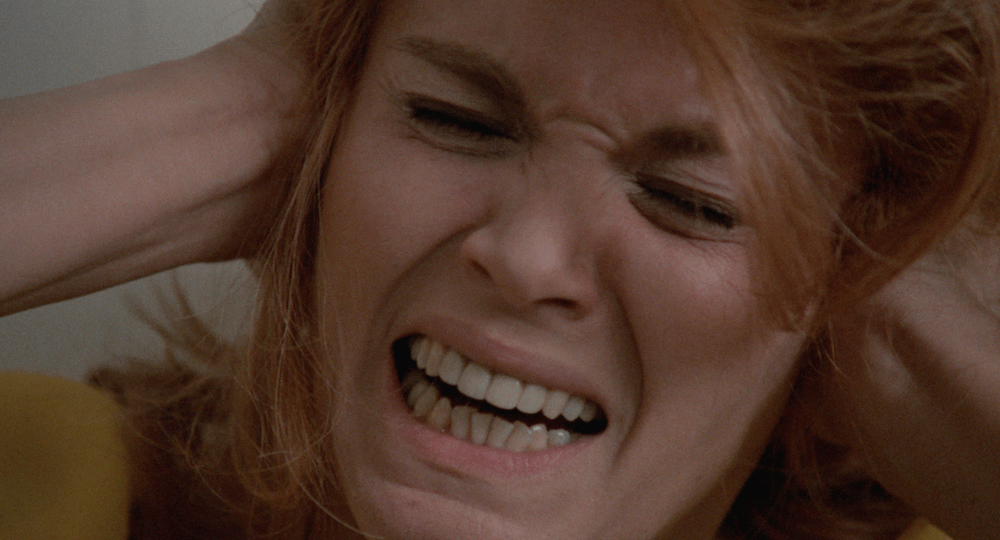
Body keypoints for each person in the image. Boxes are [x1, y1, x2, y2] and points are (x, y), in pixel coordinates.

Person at [1, 0, 998, 539]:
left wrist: (898, 317)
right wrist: (246, 118)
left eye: (692, 202)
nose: (525, 258)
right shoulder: (50, 479)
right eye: (455, 119)